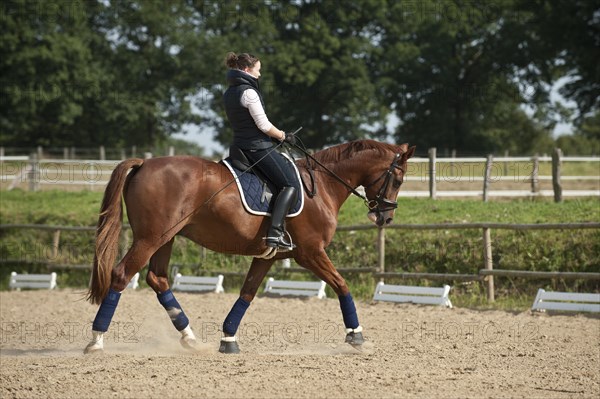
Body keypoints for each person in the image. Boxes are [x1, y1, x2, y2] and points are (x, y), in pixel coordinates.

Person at [223, 52, 297, 250]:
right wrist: (282, 135)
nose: (259, 75)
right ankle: (275, 233)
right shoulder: (249, 92)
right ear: (247, 70)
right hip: (257, 148)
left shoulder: (229, 92)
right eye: (258, 70)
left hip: (239, 147)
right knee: (290, 184)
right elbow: (263, 125)